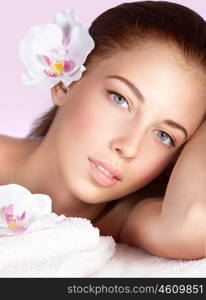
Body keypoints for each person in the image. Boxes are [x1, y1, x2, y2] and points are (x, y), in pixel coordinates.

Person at [1, 0, 206, 259]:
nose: (129, 146)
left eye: (164, 135)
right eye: (120, 99)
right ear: (66, 84)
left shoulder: (124, 217)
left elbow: (194, 225)